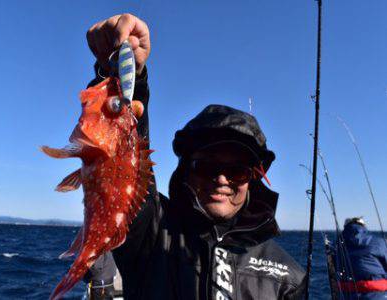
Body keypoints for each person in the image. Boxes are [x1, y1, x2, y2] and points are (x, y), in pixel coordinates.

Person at [86, 13, 306, 299]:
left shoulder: (289, 278)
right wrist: (119, 74)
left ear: (253, 178)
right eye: (206, 166)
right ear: (186, 170)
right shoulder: (151, 232)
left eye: (237, 170)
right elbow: (123, 166)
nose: (221, 179)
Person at [336, 217, 387, 299]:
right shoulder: (379, 242)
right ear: (363, 226)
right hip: (378, 294)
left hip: (349, 294)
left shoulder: (339, 245)